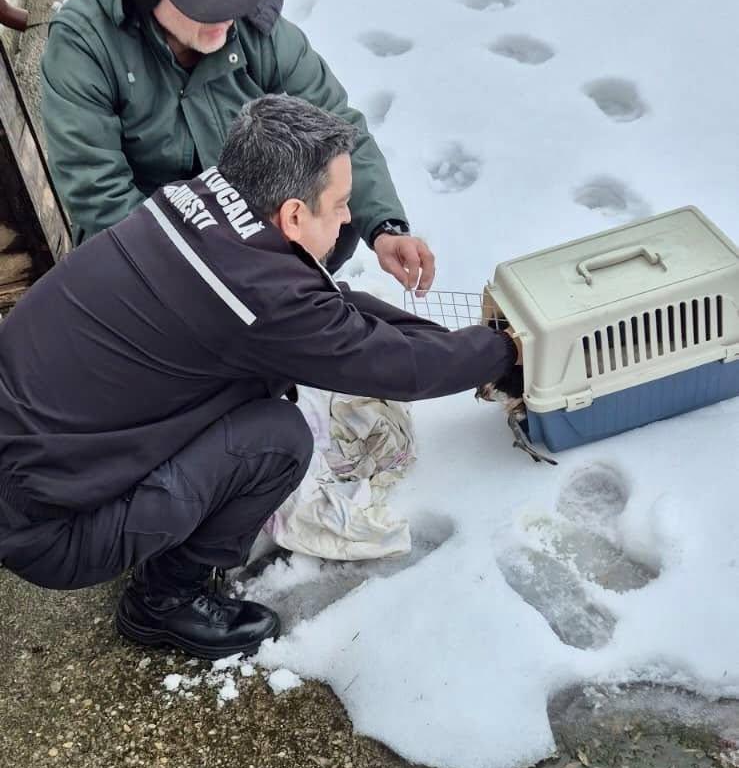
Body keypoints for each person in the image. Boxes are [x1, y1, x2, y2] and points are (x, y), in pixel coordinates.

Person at [0, 95, 520, 661]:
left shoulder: (199, 201)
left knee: (249, 379)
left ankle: (145, 516)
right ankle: (164, 600)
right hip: (49, 531)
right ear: (293, 215)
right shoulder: (260, 297)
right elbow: (399, 367)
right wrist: (507, 351)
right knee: (276, 439)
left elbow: (335, 310)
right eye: (340, 204)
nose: (350, 217)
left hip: (30, 455)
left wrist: (454, 341)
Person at [40, 0, 434, 295]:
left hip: (245, 220)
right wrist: (214, 279)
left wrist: (385, 226)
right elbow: (99, 196)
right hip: (149, 246)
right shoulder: (83, 46)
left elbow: (336, 125)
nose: (224, 13)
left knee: (332, 198)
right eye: (203, 1)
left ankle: (291, 300)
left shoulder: (252, 25)